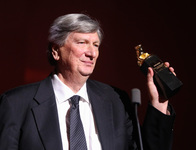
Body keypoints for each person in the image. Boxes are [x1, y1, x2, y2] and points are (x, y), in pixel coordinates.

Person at [0, 13, 175, 150]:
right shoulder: (15, 103)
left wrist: (159, 102)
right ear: (56, 51)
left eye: (96, 45)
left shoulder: (115, 100)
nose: (92, 53)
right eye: (82, 42)